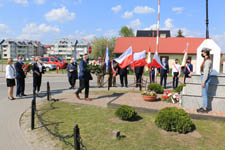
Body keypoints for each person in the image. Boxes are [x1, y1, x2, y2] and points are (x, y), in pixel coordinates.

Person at [197, 48, 212, 113]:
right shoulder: (206, 60)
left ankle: (205, 109)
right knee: (204, 93)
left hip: (205, 77)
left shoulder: (208, 61)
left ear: (205, 53)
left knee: (204, 94)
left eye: (202, 52)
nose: (202, 53)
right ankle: (204, 106)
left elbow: (206, 72)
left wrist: (203, 82)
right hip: (205, 76)